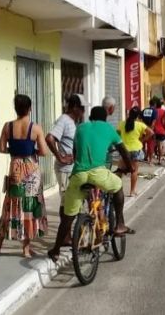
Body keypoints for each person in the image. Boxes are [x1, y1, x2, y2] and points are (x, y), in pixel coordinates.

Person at [47, 106, 134, 262]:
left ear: (91, 117)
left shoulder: (80, 128)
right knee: (118, 185)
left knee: (68, 217)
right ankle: (120, 223)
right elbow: (123, 151)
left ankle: (55, 250)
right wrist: (129, 167)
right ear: (105, 118)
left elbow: (75, 152)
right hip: (98, 173)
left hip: (78, 174)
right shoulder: (107, 128)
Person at [0, 94, 49, 258]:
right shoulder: (35, 128)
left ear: (15, 108)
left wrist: (14, 151)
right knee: (28, 205)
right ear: (30, 108)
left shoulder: (8, 127)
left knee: (10, 205)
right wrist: (31, 151)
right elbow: (44, 151)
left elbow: (1, 148)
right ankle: (26, 249)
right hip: (31, 169)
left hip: (14, 167)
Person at [46, 94, 86, 199]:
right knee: (67, 202)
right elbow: (50, 138)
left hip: (73, 168)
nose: (84, 111)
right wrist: (60, 157)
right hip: (65, 169)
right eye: (82, 108)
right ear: (75, 107)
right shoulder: (64, 120)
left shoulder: (72, 122)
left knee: (73, 201)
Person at [117, 106, 153, 196]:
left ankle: (116, 190)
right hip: (135, 150)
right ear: (138, 116)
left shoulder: (121, 124)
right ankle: (132, 191)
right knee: (134, 171)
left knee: (119, 171)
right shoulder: (140, 125)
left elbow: (116, 135)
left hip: (124, 150)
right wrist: (142, 140)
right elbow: (151, 133)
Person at [141, 98, 159, 162]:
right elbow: (153, 122)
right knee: (150, 145)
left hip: (143, 129)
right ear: (155, 104)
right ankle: (150, 160)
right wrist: (151, 130)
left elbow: (141, 120)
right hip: (150, 130)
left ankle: (145, 156)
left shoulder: (144, 110)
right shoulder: (155, 111)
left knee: (143, 144)